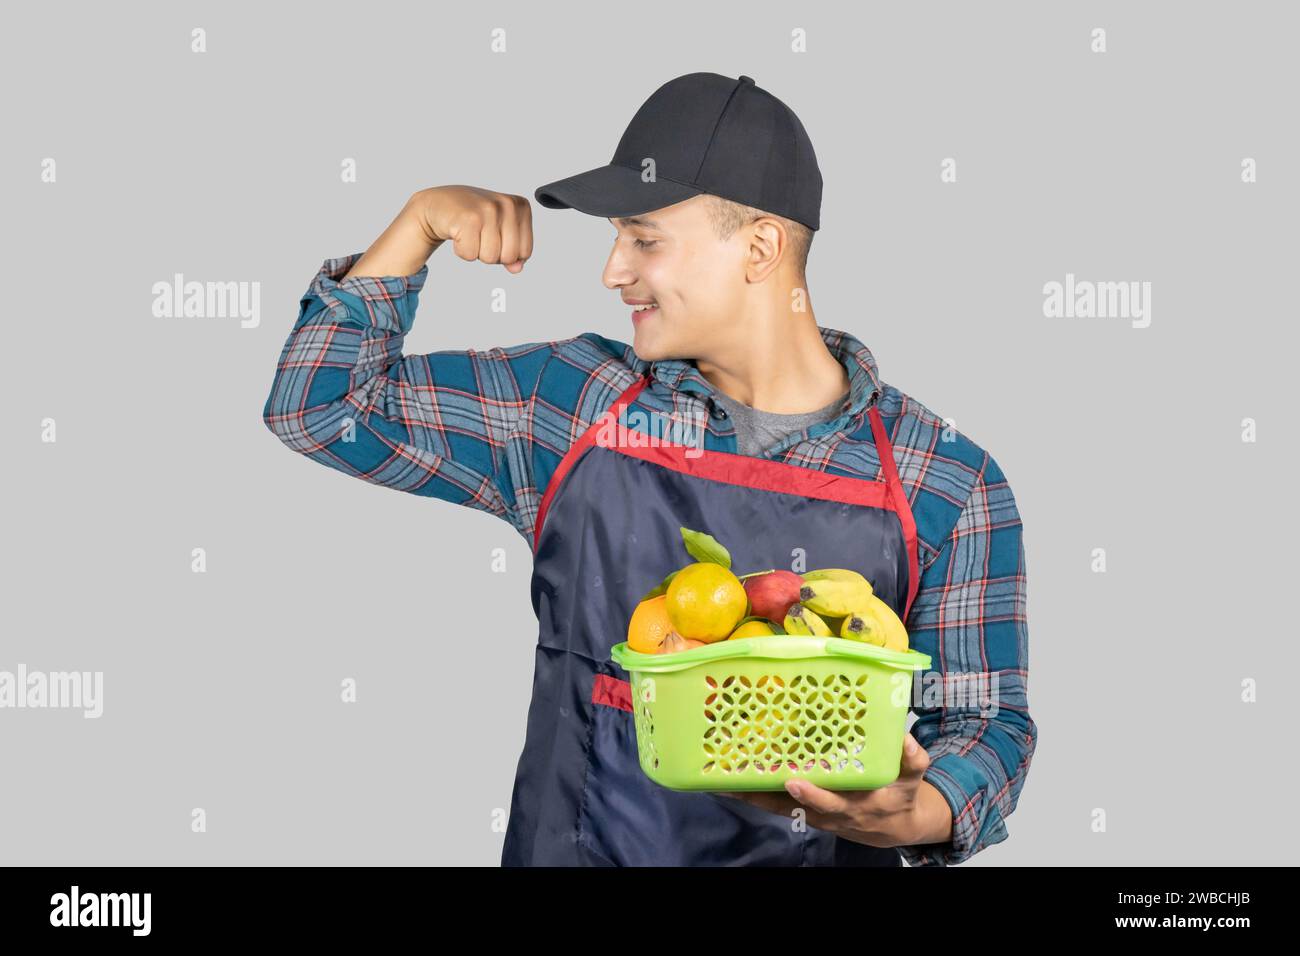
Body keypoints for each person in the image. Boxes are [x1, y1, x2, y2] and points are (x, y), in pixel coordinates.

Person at [261, 72, 1037, 866]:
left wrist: (930, 806)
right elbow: (319, 407)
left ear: (761, 248)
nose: (613, 271)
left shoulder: (944, 480)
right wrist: (416, 225)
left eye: (645, 239)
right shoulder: (570, 406)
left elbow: (986, 720)